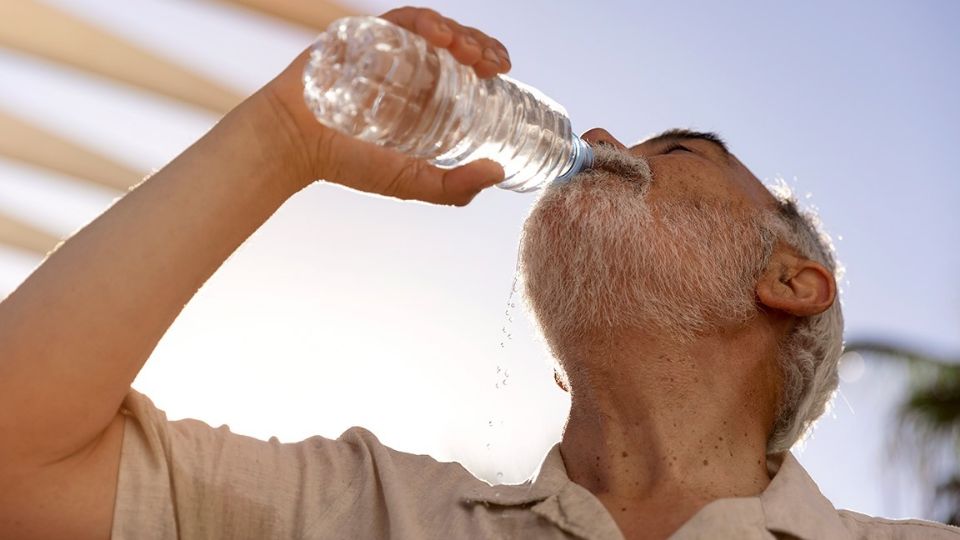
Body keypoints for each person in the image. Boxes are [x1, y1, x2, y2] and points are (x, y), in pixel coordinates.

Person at [0, 5, 956, 540]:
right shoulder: (366, 513)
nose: (599, 142)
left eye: (681, 152)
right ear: (560, 361)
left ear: (791, 283)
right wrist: (282, 138)